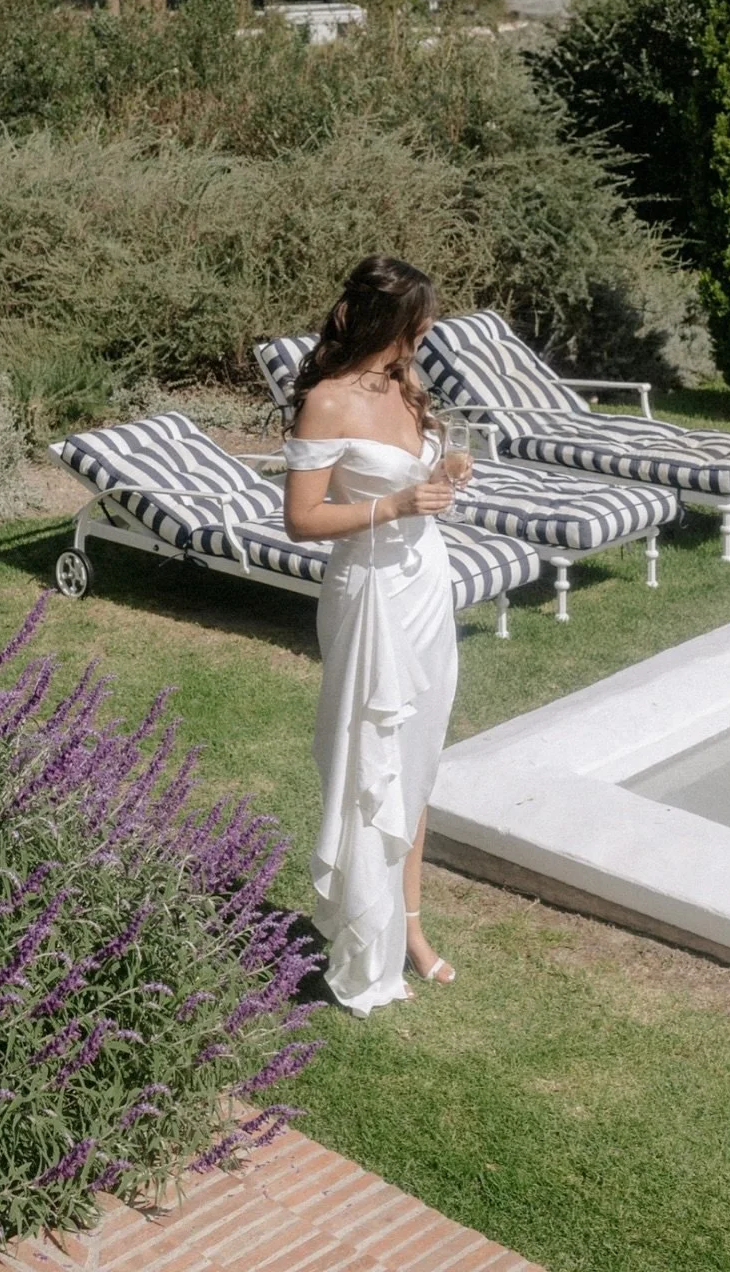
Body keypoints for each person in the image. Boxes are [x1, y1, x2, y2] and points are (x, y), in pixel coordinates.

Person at [283, 255, 465, 1014]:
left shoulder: (405, 385)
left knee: (417, 764)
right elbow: (301, 521)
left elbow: (416, 479)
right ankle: (366, 943)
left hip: (426, 583)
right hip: (371, 595)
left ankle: (411, 927)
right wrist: (393, 507)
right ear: (391, 324)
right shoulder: (326, 402)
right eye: (416, 328)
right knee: (375, 764)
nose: (422, 341)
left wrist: (445, 470)